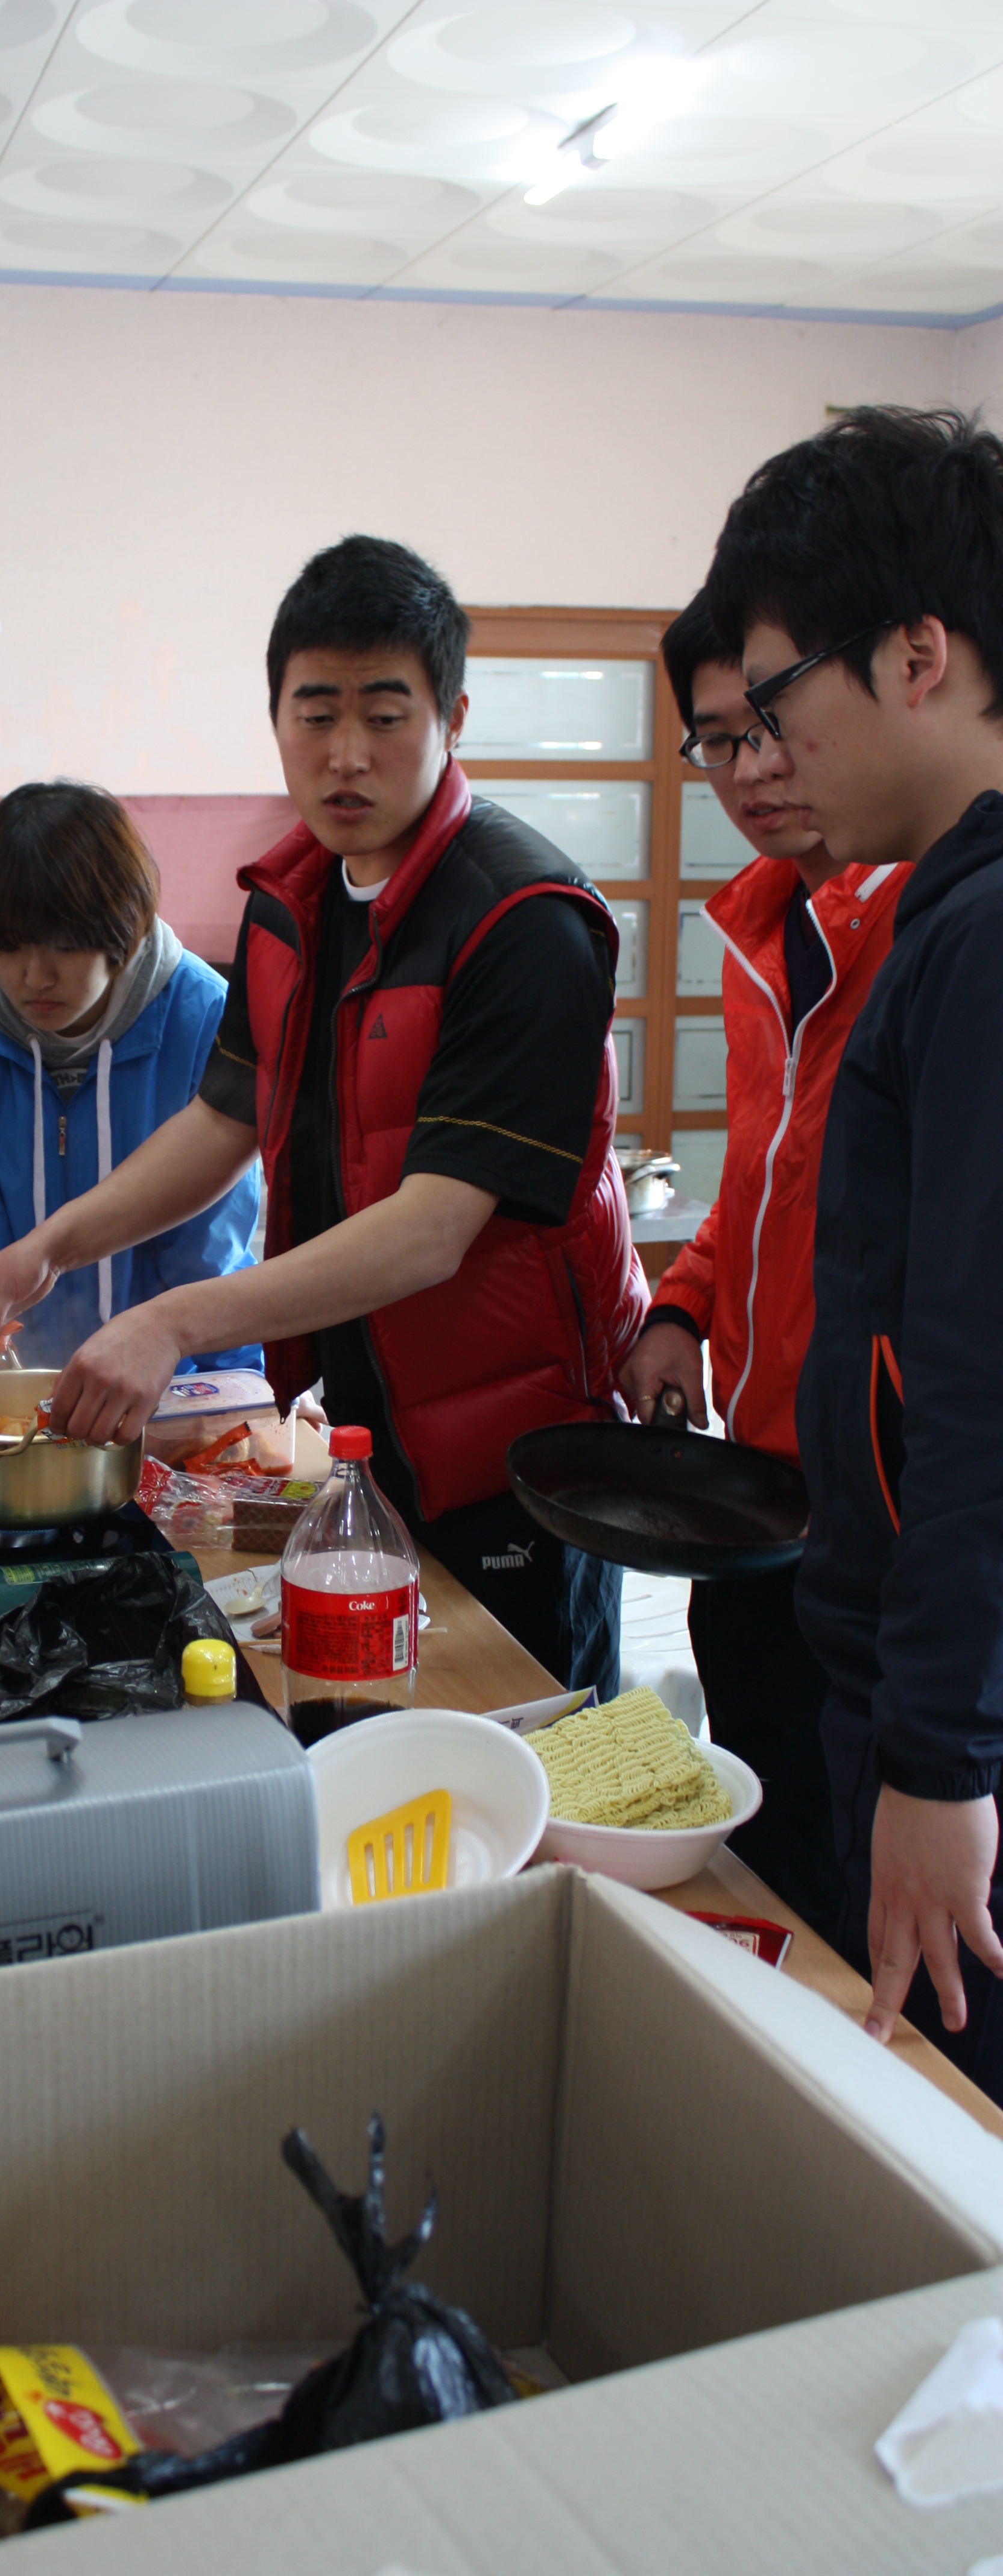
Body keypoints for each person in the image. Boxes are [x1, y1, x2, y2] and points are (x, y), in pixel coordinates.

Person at [0, 540, 646, 1692]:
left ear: (452, 717)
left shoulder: (523, 919)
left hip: (514, 1447)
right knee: (382, 1709)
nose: (345, 754)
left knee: (532, 1725)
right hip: (370, 1422)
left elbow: (433, 1229)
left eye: (384, 715)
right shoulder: (292, 901)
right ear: (274, 717)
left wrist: (169, 1321)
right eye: (315, 714)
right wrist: (52, 1246)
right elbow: (222, 1120)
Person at [704, 403, 1003, 2098]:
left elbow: (975, 1381)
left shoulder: (979, 936)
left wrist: (938, 1757)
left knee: (951, 2129)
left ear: (915, 653)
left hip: (950, 1712)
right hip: (916, 1678)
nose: (764, 752)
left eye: (776, 698)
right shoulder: (945, 913)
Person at [616, 592, 907, 1940]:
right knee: (766, 1837)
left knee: (883, 1889)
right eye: (717, 741)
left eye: (772, 725)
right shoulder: (760, 923)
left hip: (902, 1508)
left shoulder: (928, 925)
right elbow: (757, 1186)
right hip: (771, 1481)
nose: (750, 771)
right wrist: (679, 1304)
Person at [0, 778, 262, 1435]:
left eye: (64, 944)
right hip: (15, 1399)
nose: (35, 976)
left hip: (164, 1393)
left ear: (124, 927)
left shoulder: (205, 1015)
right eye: (9, 946)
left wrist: (239, 1403)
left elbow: (210, 1249)